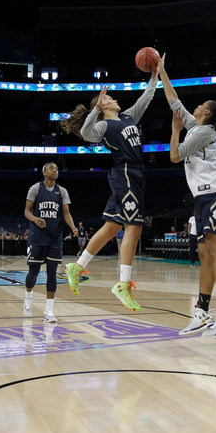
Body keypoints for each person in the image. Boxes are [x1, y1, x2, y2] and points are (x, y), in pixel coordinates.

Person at [159, 56, 216, 337]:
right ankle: (201, 310)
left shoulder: (204, 132)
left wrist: (174, 132)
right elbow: (174, 100)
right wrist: (162, 71)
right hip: (203, 197)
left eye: (200, 105)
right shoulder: (195, 125)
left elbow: (174, 156)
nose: (195, 107)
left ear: (207, 113)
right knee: (204, 253)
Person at [60, 68, 159, 311]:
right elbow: (86, 133)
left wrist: (155, 76)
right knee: (134, 227)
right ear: (103, 105)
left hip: (134, 175)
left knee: (112, 226)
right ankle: (123, 284)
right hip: (125, 173)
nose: (115, 99)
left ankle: (77, 266)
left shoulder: (128, 116)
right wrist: (95, 109)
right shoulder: (103, 125)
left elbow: (146, 97)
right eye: (110, 98)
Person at [23, 162, 79, 323]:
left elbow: (66, 213)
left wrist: (73, 226)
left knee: (52, 274)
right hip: (37, 238)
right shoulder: (35, 188)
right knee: (33, 273)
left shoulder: (62, 191)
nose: (55, 171)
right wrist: (36, 219)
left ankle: (49, 310)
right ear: (44, 172)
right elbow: (26, 211)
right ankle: (28, 297)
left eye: (57, 169)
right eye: (51, 168)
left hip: (55, 239)